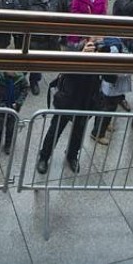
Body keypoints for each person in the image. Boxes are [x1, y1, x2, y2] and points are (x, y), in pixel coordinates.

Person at [36, 38, 101, 174]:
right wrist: (81, 55)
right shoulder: (74, 49)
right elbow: (67, 70)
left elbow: (110, 78)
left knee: (79, 132)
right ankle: (44, 156)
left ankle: (72, 155)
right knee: (56, 129)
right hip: (68, 99)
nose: (98, 39)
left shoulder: (103, 52)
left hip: (87, 101)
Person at [0, 70, 29, 155]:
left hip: (13, 108)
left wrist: (18, 102)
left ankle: (8, 144)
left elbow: (25, 89)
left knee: (10, 127)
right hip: (1, 107)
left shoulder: (20, 78)